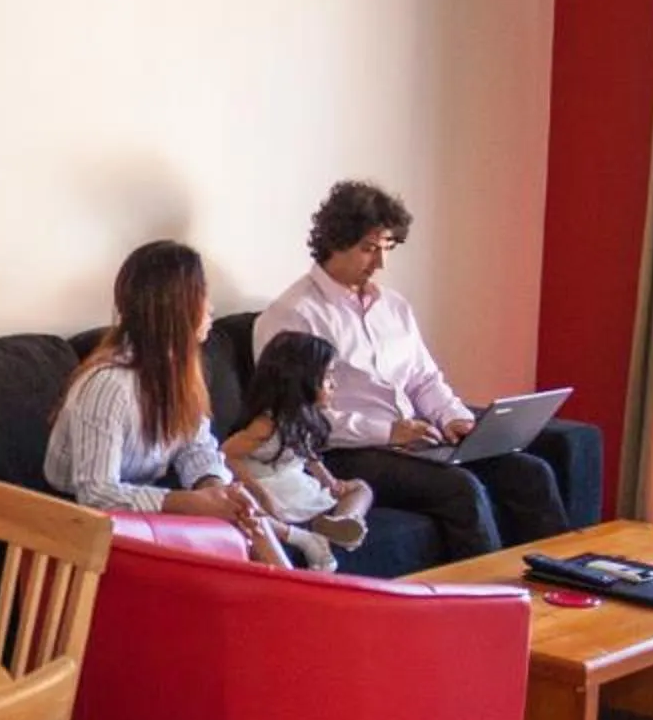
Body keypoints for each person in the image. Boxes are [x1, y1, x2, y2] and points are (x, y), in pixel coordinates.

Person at [254, 179, 567, 562]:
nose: (380, 263)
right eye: (368, 249)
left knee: (530, 473)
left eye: (386, 249)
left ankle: (563, 586)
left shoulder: (394, 306)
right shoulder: (294, 314)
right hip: (346, 452)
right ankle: (486, 606)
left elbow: (424, 378)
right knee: (461, 489)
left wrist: (454, 419)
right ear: (334, 242)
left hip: (413, 440)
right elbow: (295, 418)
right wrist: (388, 431)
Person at [45, 240, 289, 566]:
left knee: (242, 509)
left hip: (140, 499)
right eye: (203, 295)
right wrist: (191, 503)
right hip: (77, 518)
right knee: (233, 528)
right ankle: (300, 598)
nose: (211, 308)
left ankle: (301, 598)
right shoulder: (108, 385)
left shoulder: (179, 371)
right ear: (177, 306)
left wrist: (215, 489)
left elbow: (196, 447)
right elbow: (97, 494)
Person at [224, 330, 375, 570]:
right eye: (327, 378)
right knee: (249, 508)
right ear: (301, 380)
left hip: (296, 483)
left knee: (361, 488)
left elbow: (308, 454)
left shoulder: (303, 417)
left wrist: (330, 481)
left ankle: (342, 521)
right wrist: (258, 491)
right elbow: (227, 453)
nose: (334, 385)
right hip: (269, 486)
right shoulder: (266, 424)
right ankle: (314, 536)